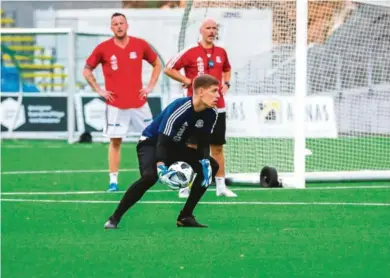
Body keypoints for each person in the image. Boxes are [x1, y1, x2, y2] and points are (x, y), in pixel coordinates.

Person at [104, 74, 220, 229]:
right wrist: (161, 165)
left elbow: (204, 142)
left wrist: (205, 164)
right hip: (152, 143)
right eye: (214, 91)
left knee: (212, 166)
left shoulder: (212, 113)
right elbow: (162, 141)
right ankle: (114, 218)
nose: (218, 95)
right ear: (200, 92)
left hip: (176, 145)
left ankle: (185, 216)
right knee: (149, 177)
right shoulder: (179, 108)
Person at [83, 13, 162, 192]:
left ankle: (158, 173)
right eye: (115, 24)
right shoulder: (103, 48)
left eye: (121, 23)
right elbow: (87, 70)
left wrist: (150, 86)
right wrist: (99, 90)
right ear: (111, 28)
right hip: (116, 105)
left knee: (153, 138)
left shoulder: (139, 44)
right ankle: (113, 181)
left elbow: (157, 63)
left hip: (140, 103)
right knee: (116, 141)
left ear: (127, 25)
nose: (119, 26)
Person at [164, 18, 237, 198]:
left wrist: (226, 83)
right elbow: (169, 68)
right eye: (208, 28)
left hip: (217, 107)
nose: (211, 31)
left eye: (214, 28)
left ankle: (221, 186)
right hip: (196, 109)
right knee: (190, 146)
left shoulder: (221, 52)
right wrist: (187, 81)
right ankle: (184, 185)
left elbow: (227, 68)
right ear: (201, 30)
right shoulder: (190, 51)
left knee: (217, 147)